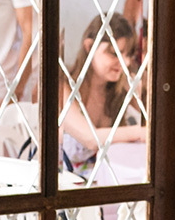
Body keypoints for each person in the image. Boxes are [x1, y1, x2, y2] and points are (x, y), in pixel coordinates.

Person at [60, 13, 147, 176]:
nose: (125, 62)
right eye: (114, 53)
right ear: (89, 47)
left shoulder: (121, 91)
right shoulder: (64, 88)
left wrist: (138, 96)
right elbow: (90, 139)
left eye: (128, 55)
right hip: (66, 191)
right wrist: (140, 132)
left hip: (110, 187)